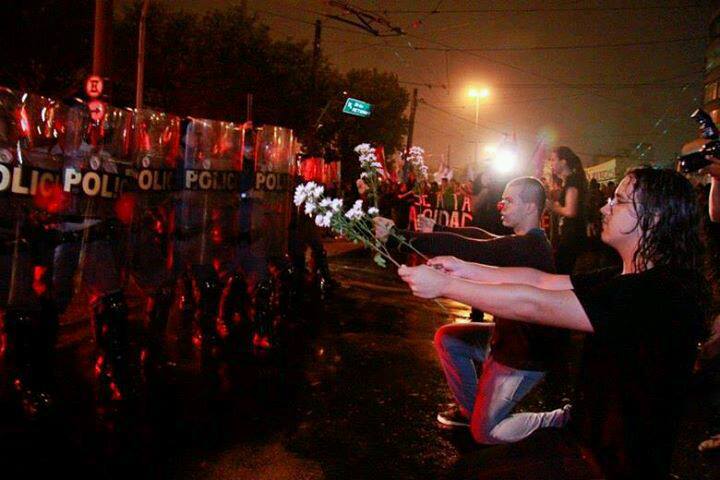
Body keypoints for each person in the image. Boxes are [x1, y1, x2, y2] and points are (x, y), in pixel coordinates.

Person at [399, 167, 705, 479]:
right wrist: (464, 269)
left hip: (612, 462)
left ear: (653, 218)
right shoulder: (629, 277)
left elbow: (534, 303)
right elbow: (542, 282)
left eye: (619, 201)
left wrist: (446, 286)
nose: (603, 207)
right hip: (585, 435)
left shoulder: (656, 293)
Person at [376, 177, 570, 444]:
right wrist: (438, 228)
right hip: (505, 340)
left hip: (524, 356)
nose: (501, 205)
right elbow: (481, 237)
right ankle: (472, 412)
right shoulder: (525, 241)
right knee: (448, 339)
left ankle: (559, 419)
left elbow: (473, 248)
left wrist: (397, 237)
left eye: (509, 200)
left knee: (485, 434)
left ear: (530, 207)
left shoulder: (530, 247)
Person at [547, 146, 588, 273]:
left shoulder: (572, 180)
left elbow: (570, 211)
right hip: (570, 234)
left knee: (564, 271)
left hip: (572, 235)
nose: (551, 164)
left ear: (563, 161)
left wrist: (552, 206)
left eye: (553, 160)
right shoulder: (568, 181)